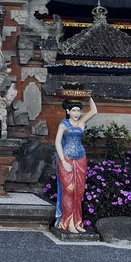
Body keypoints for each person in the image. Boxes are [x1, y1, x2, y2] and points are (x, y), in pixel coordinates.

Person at [54, 96, 97, 233]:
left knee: (79, 191)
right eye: (74, 110)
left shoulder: (82, 122)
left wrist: (88, 96)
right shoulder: (64, 124)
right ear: (68, 111)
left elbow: (94, 110)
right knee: (69, 190)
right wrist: (63, 161)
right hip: (66, 159)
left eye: (79, 110)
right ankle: (68, 221)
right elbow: (57, 143)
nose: (77, 113)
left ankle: (78, 221)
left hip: (81, 159)